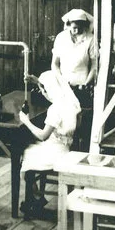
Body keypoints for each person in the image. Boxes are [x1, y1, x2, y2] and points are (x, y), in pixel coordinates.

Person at [17, 70, 81, 218]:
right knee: (30, 151)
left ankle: (35, 200)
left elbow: (43, 136)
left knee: (25, 158)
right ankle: (37, 199)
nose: (43, 93)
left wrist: (26, 121)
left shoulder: (55, 109)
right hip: (66, 148)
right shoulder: (71, 102)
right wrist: (38, 81)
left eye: (43, 90)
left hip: (55, 152)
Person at [52, 8, 97, 150]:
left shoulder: (90, 39)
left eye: (79, 28)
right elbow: (55, 64)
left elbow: (95, 66)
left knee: (80, 124)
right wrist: (60, 80)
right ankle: (65, 151)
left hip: (82, 88)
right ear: (68, 25)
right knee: (64, 123)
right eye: (73, 28)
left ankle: (80, 152)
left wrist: (86, 82)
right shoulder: (61, 38)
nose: (75, 31)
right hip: (63, 87)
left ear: (85, 26)